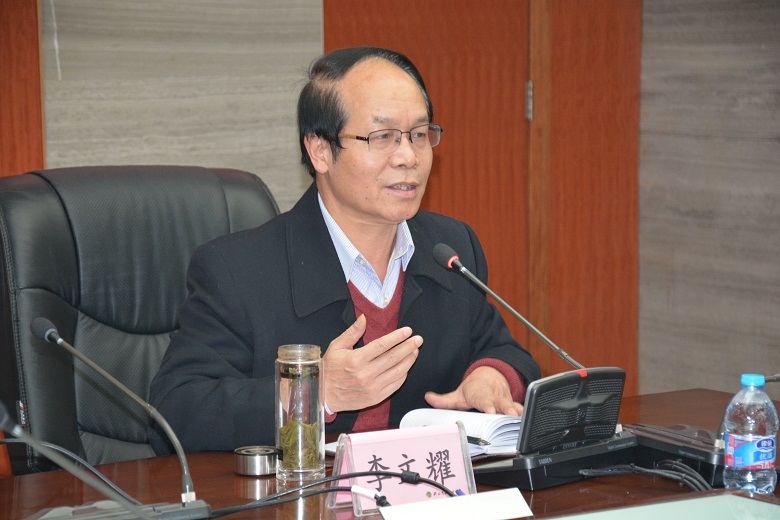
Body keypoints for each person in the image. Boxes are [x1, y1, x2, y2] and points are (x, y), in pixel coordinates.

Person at [148, 47, 541, 454]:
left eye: (419, 135)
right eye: (382, 137)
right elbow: (175, 411)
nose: (408, 157)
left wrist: (491, 376)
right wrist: (316, 393)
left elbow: (502, 350)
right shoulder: (238, 270)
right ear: (320, 151)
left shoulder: (450, 250)